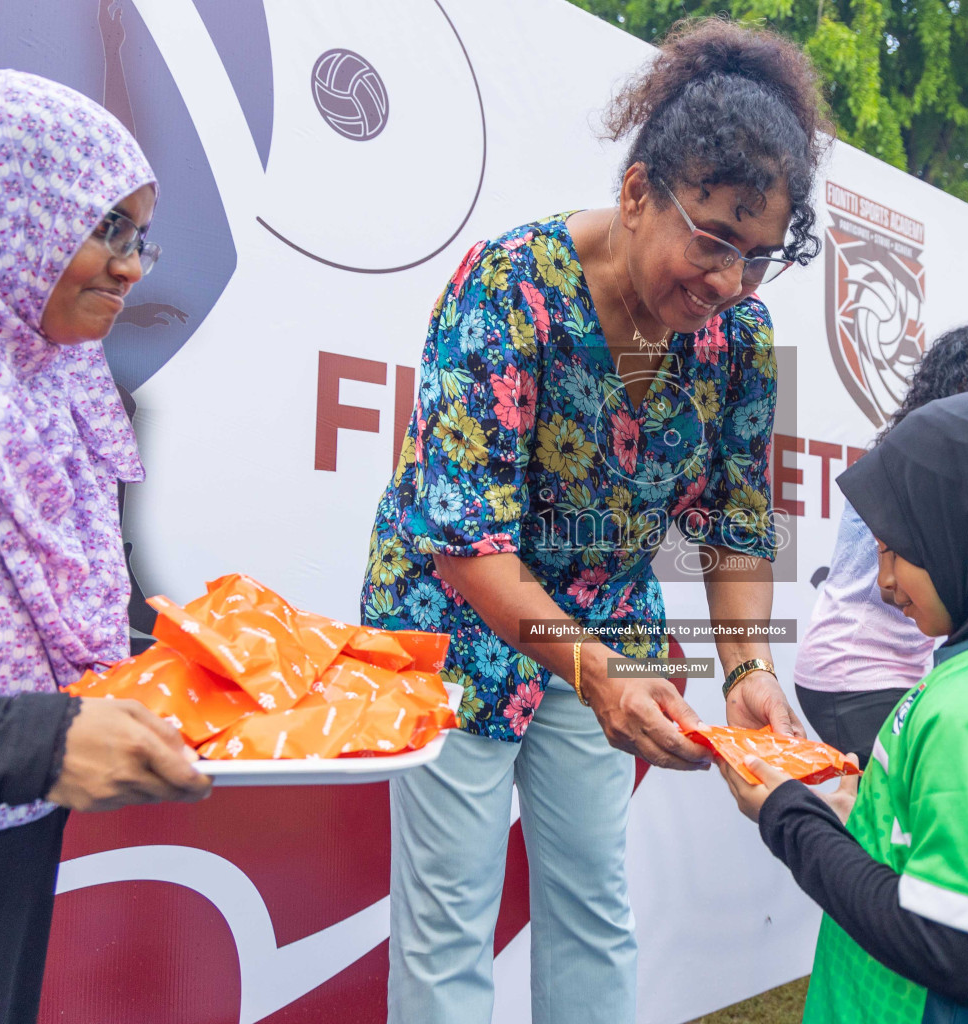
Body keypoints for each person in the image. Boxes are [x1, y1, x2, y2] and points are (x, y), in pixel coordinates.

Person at [358, 19, 830, 1024]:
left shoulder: (739, 336)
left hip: (603, 630)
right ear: (634, 193)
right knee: (451, 923)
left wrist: (746, 667)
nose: (730, 283)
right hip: (455, 627)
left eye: (757, 255)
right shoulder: (508, 289)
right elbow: (466, 542)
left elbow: (740, 520)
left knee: (593, 904)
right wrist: (600, 676)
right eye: (712, 240)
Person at [0, 71, 211, 1024]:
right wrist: (36, 743)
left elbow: (99, 622)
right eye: (106, 228)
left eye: (140, 237)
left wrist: (243, 672)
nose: (131, 266)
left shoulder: (60, 395)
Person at [718, 391, 968, 1023]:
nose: (883, 583)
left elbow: (957, 953)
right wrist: (872, 814)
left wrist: (790, 816)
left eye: (899, 551)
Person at [794, 325, 968, 766]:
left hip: (905, 670)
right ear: (964, 390)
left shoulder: (959, 462)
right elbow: (897, 586)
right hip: (855, 672)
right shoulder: (911, 461)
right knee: (891, 822)